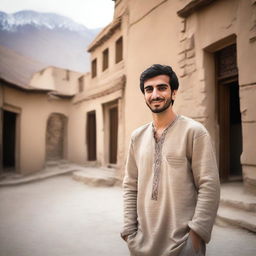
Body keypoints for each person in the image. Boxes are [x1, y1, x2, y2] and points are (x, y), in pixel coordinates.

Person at [121, 64, 220, 256]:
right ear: (144, 96)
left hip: (182, 244)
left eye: (162, 88)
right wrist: (128, 231)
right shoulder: (137, 137)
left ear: (173, 93)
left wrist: (196, 235)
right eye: (149, 89)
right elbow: (130, 185)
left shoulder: (194, 132)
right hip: (141, 244)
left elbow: (209, 185)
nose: (155, 94)